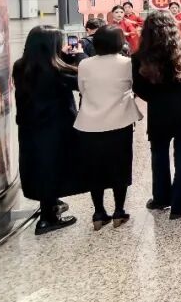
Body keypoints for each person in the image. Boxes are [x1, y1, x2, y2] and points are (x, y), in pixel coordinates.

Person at [133, 11, 181, 219]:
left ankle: (161, 198)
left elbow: (139, 88)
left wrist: (157, 99)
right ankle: (179, 204)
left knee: (158, 155)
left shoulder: (139, 56)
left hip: (159, 112)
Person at [13, 26, 85, 235]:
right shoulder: (55, 71)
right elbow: (82, 81)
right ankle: (48, 218)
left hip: (30, 126)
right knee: (53, 167)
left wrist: (64, 58)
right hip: (55, 126)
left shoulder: (21, 66)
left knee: (40, 166)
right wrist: (79, 56)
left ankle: (51, 203)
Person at [74, 25, 141, 229]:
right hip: (120, 122)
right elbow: (134, 87)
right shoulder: (126, 63)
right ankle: (119, 211)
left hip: (89, 124)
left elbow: (82, 89)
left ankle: (98, 213)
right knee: (120, 166)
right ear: (119, 43)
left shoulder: (85, 64)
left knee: (95, 169)